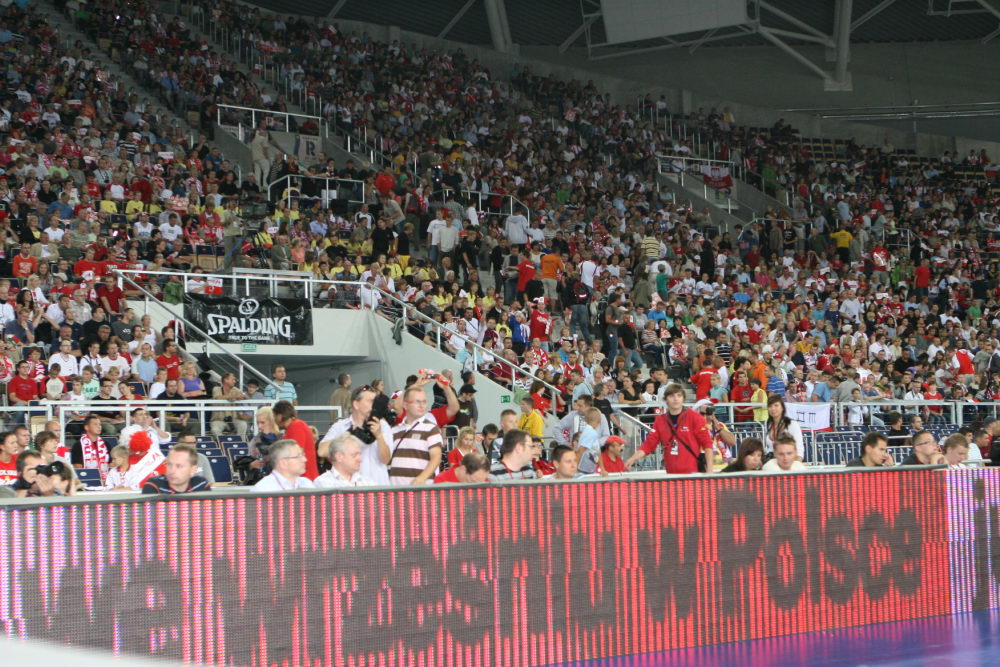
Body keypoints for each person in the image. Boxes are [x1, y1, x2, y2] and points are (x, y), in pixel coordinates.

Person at [624, 383, 714, 474]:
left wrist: (710, 470)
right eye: (671, 396)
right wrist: (633, 458)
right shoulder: (660, 420)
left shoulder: (694, 417)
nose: (676, 399)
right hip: (671, 473)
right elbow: (649, 444)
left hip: (692, 473)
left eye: (679, 395)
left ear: (683, 398)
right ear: (665, 399)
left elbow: (707, 443)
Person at [318, 385, 394, 485]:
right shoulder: (341, 426)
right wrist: (349, 434)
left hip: (378, 487)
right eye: (370, 401)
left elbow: (386, 460)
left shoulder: (382, 426)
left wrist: (379, 436)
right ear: (356, 404)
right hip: (349, 487)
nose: (374, 405)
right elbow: (321, 452)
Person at [389, 386, 443, 485]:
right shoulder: (394, 430)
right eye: (417, 402)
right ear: (405, 405)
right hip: (396, 489)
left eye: (424, 402)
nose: (421, 405)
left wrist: (421, 478)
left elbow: (436, 457)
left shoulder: (432, 428)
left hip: (420, 489)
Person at [272, 400, 318, 480]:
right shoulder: (292, 428)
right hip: (301, 479)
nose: (274, 420)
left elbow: (296, 454)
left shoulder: (296, 426)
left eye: (274, 416)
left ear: (279, 416)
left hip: (305, 479)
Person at [141, 444, 211, 494]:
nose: (172, 471)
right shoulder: (154, 486)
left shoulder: (201, 485)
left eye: (179, 466)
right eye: (169, 464)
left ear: (193, 470)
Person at [252, 439, 316, 492]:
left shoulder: (306, 483)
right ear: (283, 463)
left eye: (303, 455)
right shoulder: (263, 489)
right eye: (298, 456)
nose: (305, 459)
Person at [210, 372, 250, 438]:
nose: (235, 381)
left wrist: (244, 396)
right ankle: (224, 442)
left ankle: (239, 442)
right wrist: (235, 396)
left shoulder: (235, 389)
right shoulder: (216, 388)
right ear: (226, 380)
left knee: (243, 424)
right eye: (233, 379)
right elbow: (218, 398)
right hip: (218, 420)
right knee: (215, 429)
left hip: (233, 419)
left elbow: (246, 397)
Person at [764, 394, 804, 459]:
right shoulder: (768, 424)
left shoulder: (792, 424)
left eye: (776, 405)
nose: (773, 408)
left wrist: (796, 464)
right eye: (770, 406)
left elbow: (799, 450)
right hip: (771, 461)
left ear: (782, 408)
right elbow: (768, 448)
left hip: (788, 461)